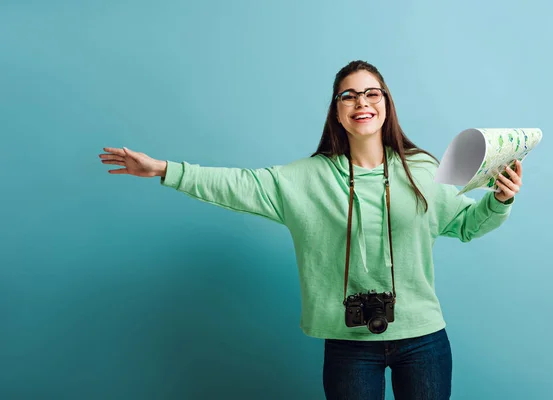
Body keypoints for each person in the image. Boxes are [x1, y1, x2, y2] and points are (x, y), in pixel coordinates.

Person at [99, 60, 523, 400]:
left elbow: (466, 225)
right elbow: (238, 185)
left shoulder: (424, 170)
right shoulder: (305, 179)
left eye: (372, 93)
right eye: (349, 95)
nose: (362, 101)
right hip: (348, 342)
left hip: (423, 339)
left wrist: (500, 199)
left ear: (387, 104)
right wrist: (164, 170)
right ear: (337, 112)